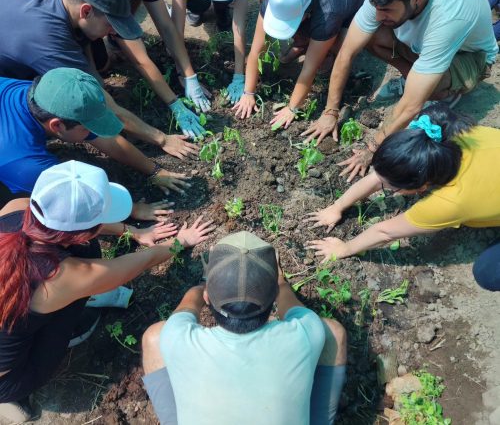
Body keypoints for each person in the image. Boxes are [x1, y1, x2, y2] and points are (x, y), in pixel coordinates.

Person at [0, 160, 214, 423]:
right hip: (12, 378)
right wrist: (180, 242)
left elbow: (68, 227)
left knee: (81, 256)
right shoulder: (62, 276)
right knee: (87, 259)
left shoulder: (15, 208)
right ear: (80, 232)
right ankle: (69, 338)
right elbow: (139, 263)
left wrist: (135, 232)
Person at [303, 0, 498, 181]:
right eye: (375, 7)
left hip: (468, 58)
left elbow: (410, 108)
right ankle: (414, 80)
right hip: (424, 45)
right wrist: (330, 111)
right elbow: (347, 53)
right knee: (371, 36)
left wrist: (371, 150)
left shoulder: (449, 15)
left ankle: (445, 91)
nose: (377, 15)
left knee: (429, 91)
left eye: (385, 10)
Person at [8, 0, 210, 133]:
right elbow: (140, 59)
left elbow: (166, 26)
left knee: (102, 45)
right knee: (93, 65)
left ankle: (108, 45)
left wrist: (188, 75)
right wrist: (173, 103)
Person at [142, 231, 347, 424]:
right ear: (273, 296)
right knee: (333, 332)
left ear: (208, 297)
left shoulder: (176, 337)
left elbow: (189, 303)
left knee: (153, 337)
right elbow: (288, 304)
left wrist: (209, 282)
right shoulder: (306, 332)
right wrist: (280, 282)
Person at [0, 0, 202, 152]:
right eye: (110, 24)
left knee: (98, 62)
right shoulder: (49, 42)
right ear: (86, 10)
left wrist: (94, 74)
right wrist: (162, 139)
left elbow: (81, 38)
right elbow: (105, 107)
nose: (113, 32)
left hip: (14, 15)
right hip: (7, 67)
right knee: (58, 102)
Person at [305, 105, 500, 287]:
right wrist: (336, 207)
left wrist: (344, 249)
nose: (383, 187)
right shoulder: (446, 136)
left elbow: (384, 232)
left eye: (391, 188)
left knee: (487, 274)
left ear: (422, 186)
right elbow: (380, 177)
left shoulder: (452, 202)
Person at [0, 68, 190, 209]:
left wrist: (154, 171)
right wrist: (129, 210)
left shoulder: (45, 94)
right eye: (88, 128)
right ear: (57, 125)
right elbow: (69, 205)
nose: (94, 133)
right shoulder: (23, 162)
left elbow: (108, 140)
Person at [232, 0, 369, 126]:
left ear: (307, 13)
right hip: (324, 0)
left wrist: (292, 108)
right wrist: (248, 93)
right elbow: (256, 51)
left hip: (359, 0)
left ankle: (325, 53)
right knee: (310, 35)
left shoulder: (328, 13)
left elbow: (308, 70)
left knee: (338, 46)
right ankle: (303, 44)